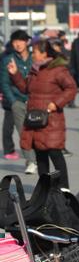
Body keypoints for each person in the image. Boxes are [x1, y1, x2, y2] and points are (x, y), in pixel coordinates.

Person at [7, 39, 77, 189]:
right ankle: (45, 188)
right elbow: (26, 88)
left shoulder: (58, 70)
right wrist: (15, 74)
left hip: (52, 120)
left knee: (55, 153)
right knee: (40, 155)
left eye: (36, 52)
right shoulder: (35, 70)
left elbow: (71, 88)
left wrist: (56, 103)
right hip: (35, 120)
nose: (33, 55)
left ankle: (64, 188)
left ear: (45, 53)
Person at [0, 29, 37, 173]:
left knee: (38, 132)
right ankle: (30, 161)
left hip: (35, 100)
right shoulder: (7, 60)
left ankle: (38, 158)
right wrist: (13, 101)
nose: (18, 44)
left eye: (21, 41)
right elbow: (4, 83)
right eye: (15, 42)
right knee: (23, 132)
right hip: (17, 101)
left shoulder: (35, 58)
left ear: (27, 42)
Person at [0, 41, 19, 160]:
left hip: (6, 95)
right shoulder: (14, 58)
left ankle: (8, 150)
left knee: (8, 123)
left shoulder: (2, 57)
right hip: (15, 94)